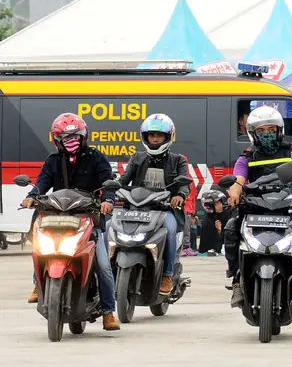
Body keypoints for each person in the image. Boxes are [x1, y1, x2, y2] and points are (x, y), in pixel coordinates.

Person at [21, 114, 121, 330]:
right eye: (65, 138)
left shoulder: (96, 157)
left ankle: (108, 311)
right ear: (57, 140)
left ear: (84, 137)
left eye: (74, 137)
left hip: (90, 216)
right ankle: (38, 284)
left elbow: (108, 183)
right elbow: (42, 183)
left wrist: (108, 200)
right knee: (38, 245)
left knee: (103, 265)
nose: (70, 142)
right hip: (59, 215)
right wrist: (32, 195)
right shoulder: (53, 160)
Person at [225, 105, 292, 306]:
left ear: (279, 130)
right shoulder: (247, 156)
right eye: (261, 131)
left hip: (289, 206)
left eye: (271, 130)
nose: (267, 134)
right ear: (253, 134)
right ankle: (236, 280)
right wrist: (234, 191)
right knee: (231, 228)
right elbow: (239, 180)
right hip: (256, 206)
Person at [116, 114, 191, 295]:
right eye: (151, 135)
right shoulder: (137, 158)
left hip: (165, 210)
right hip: (136, 209)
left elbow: (184, 185)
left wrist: (180, 195)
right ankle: (110, 271)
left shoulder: (178, 160)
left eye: (160, 135)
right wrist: (114, 187)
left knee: (170, 230)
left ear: (168, 137)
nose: (155, 139)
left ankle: (167, 274)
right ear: (145, 137)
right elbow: (125, 179)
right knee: (111, 227)